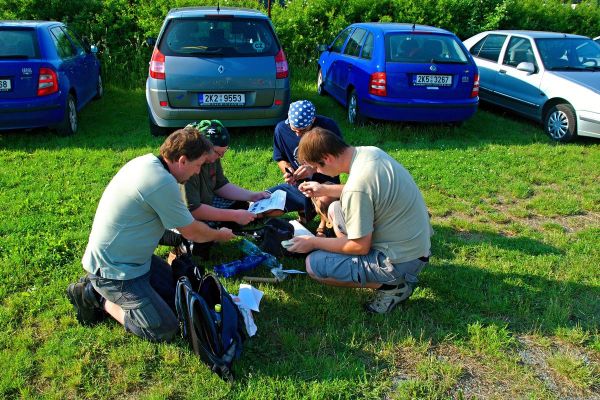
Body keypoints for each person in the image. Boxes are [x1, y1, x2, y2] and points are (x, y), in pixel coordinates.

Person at [66, 128, 236, 341]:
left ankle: (112, 294)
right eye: (198, 165)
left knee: (177, 298)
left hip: (135, 259)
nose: (197, 172)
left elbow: (163, 228)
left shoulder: (148, 163)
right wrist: (219, 235)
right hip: (114, 271)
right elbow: (193, 231)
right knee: (163, 328)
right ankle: (95, 295)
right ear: (182, 160)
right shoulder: (161, 183)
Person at [287, 128, 432, 314]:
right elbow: (366, 190)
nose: (317, 171)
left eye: (317, 167)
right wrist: (323, 189)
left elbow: (360, 246)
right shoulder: (370, 153)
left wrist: (313, 242)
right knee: (335, 209)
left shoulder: (358, 188)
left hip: (400, 260)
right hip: (415, 246)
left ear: (328, 157)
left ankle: (393, 286)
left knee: (314, 265)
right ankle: (365, 266)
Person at [267, 100, 344, 236]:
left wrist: (313, 169)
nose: (297, 134)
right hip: (298, 186)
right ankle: (305, 211)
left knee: (324, 201)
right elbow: (280, 157)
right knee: (265, 207)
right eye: (294, 129)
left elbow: (340, 159)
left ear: (313, 121)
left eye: (302, 130)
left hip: (325, 185)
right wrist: (288, 170)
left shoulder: (328, 127)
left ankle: (323, 225)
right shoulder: (281, 129)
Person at [183, 120, 272, 229]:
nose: (220, 157)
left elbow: (220, 185)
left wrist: (252, 195)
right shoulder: (186, 168)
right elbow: (193, 210)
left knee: (241, 204)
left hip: (207, 201)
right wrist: (234, 216)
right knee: (202, 234)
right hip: (190, 212)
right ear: (202, 148)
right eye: (218, 152)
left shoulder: (211, 159)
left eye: (223, 153)